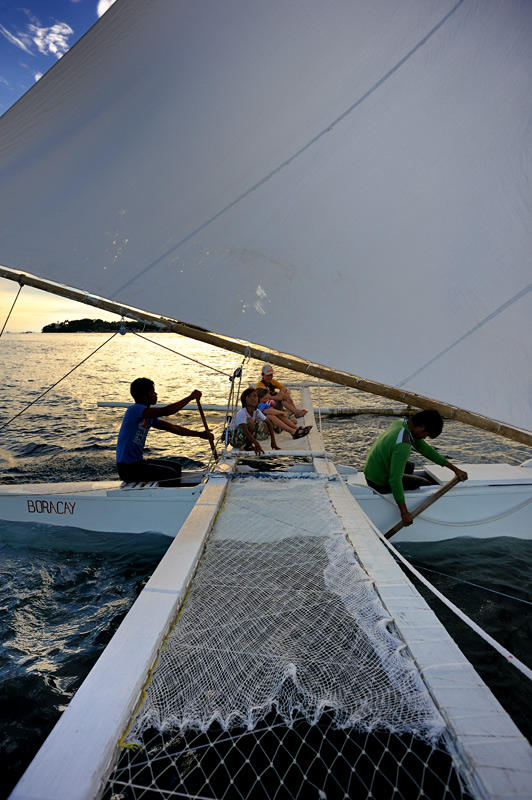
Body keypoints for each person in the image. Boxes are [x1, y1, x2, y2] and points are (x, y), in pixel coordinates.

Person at [363, 409, 468, 527]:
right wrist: (404, 512)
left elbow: (426, 450)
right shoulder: (403, 445)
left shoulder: (401, 424)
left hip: (371, 472)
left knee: (410, 466)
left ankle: (404, 486)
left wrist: (454, 469)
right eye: (427, 435)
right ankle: (406, 497)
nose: (424, 438)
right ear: (422, 427)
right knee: (423, 482)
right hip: (378, 482)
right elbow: (394, 480)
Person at [116, 377, 214, 486]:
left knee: (176, 467)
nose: (156, 394)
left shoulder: (149, 417)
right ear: (143, 397)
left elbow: (173, 428)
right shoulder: (134, 410)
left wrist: (199, 434)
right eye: (152, 392)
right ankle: (167, 497)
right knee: (170, 474)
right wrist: (190, 397)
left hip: (138, 462)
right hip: (128, 468)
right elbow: (168, 411)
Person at [229, 387, 281, 455]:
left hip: (245, 435)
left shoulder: (256, 411)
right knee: (250, 421)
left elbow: (269, 423)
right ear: (244, 400)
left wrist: (273, 442)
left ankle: (249, 445)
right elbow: (245, 430)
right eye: (249, 396)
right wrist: (256, 443)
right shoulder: (242, 413)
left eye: (255, 396)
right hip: (235, 439)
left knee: (266, 423)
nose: (253, 398)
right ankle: (248, 446)